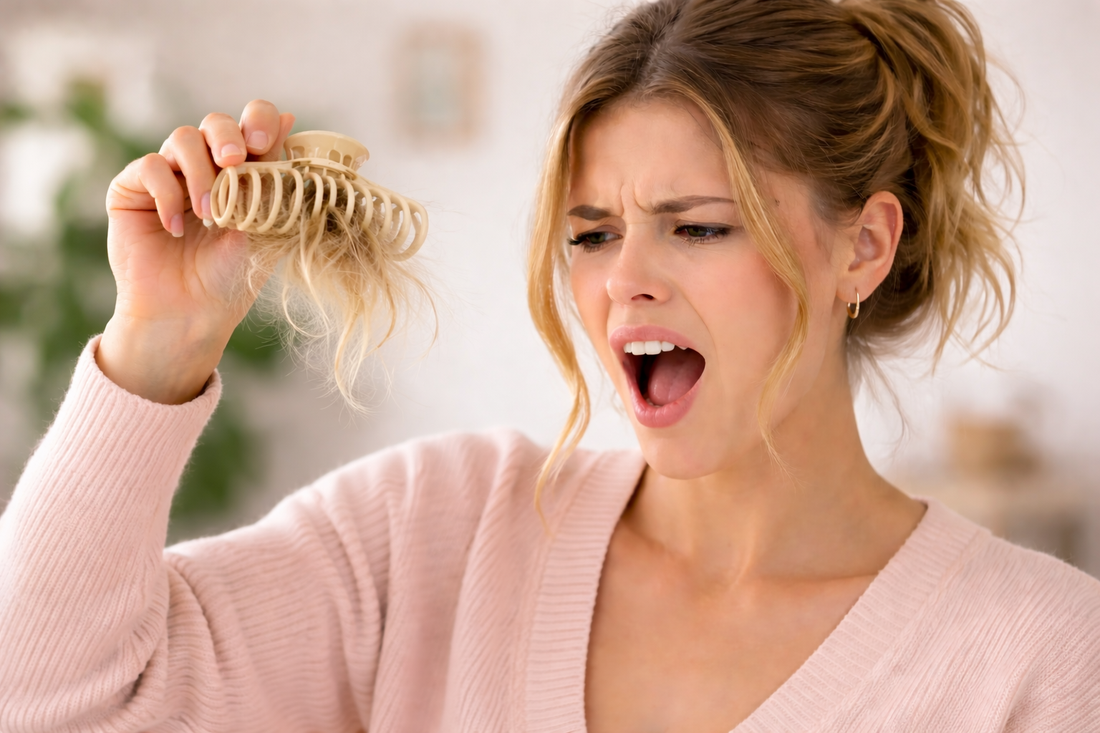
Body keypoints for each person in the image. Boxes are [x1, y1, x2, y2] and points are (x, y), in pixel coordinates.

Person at [1, 0, 1098, 730]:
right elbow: (44, 698)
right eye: (589, 234)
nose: (625, 280)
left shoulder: (1036, 662)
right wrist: (156, 341)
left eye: (698, 227)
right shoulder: (436, 531)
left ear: (861, 245)